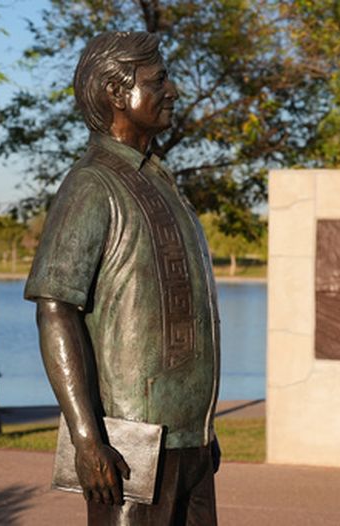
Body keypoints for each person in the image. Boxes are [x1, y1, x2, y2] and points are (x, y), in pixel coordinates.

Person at [24, 31, 221, 525]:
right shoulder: (92, 184)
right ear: (116, 93)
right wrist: (87, 439)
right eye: (159, 80)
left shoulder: (158, 179)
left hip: (188, 440)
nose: (172, 90)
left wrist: (202, 430)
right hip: (130, 442)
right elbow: (55, 309)